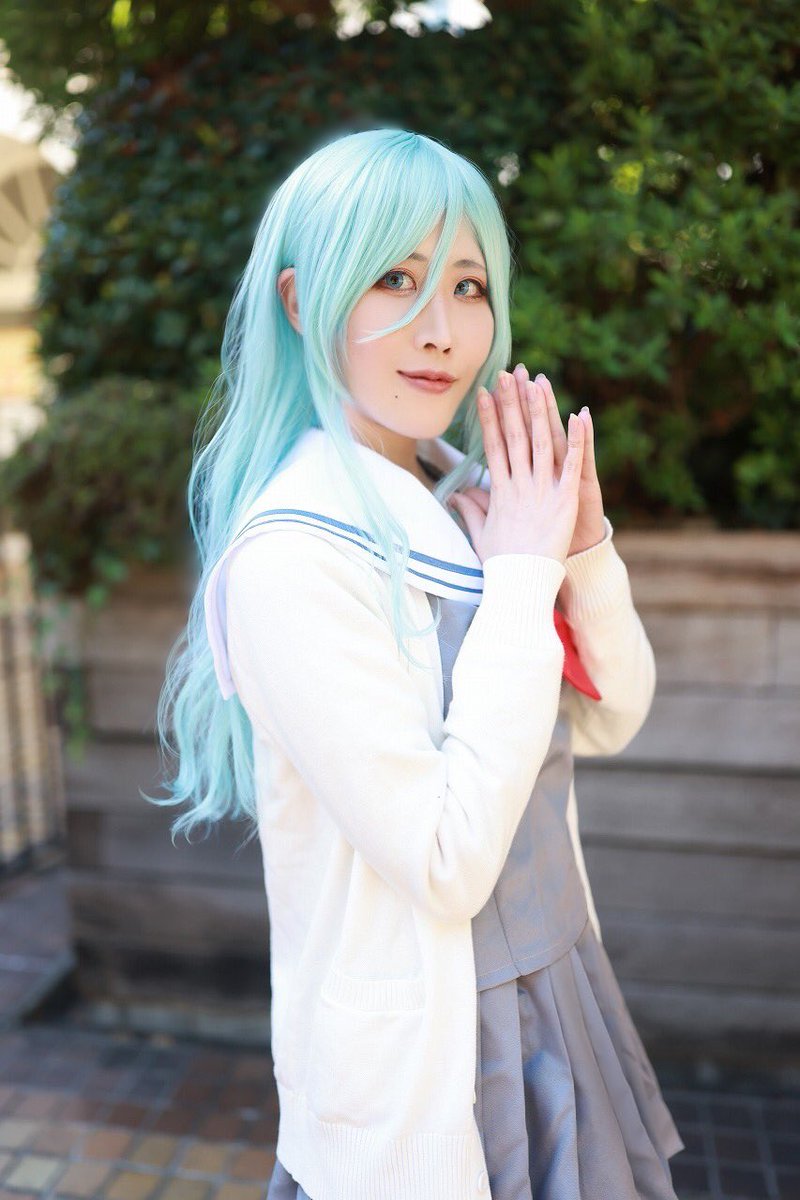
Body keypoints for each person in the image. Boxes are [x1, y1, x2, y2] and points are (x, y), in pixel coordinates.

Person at [151, 127, 685, 1199]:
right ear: (302, 302)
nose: (441, 329)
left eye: (467, 285)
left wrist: (578, 548)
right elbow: (444, 860)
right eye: (394, 279)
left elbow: (613, 714)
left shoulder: (477, 503)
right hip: (431, 1057)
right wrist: (523, 574)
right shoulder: (292, 555)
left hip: (559, 985)